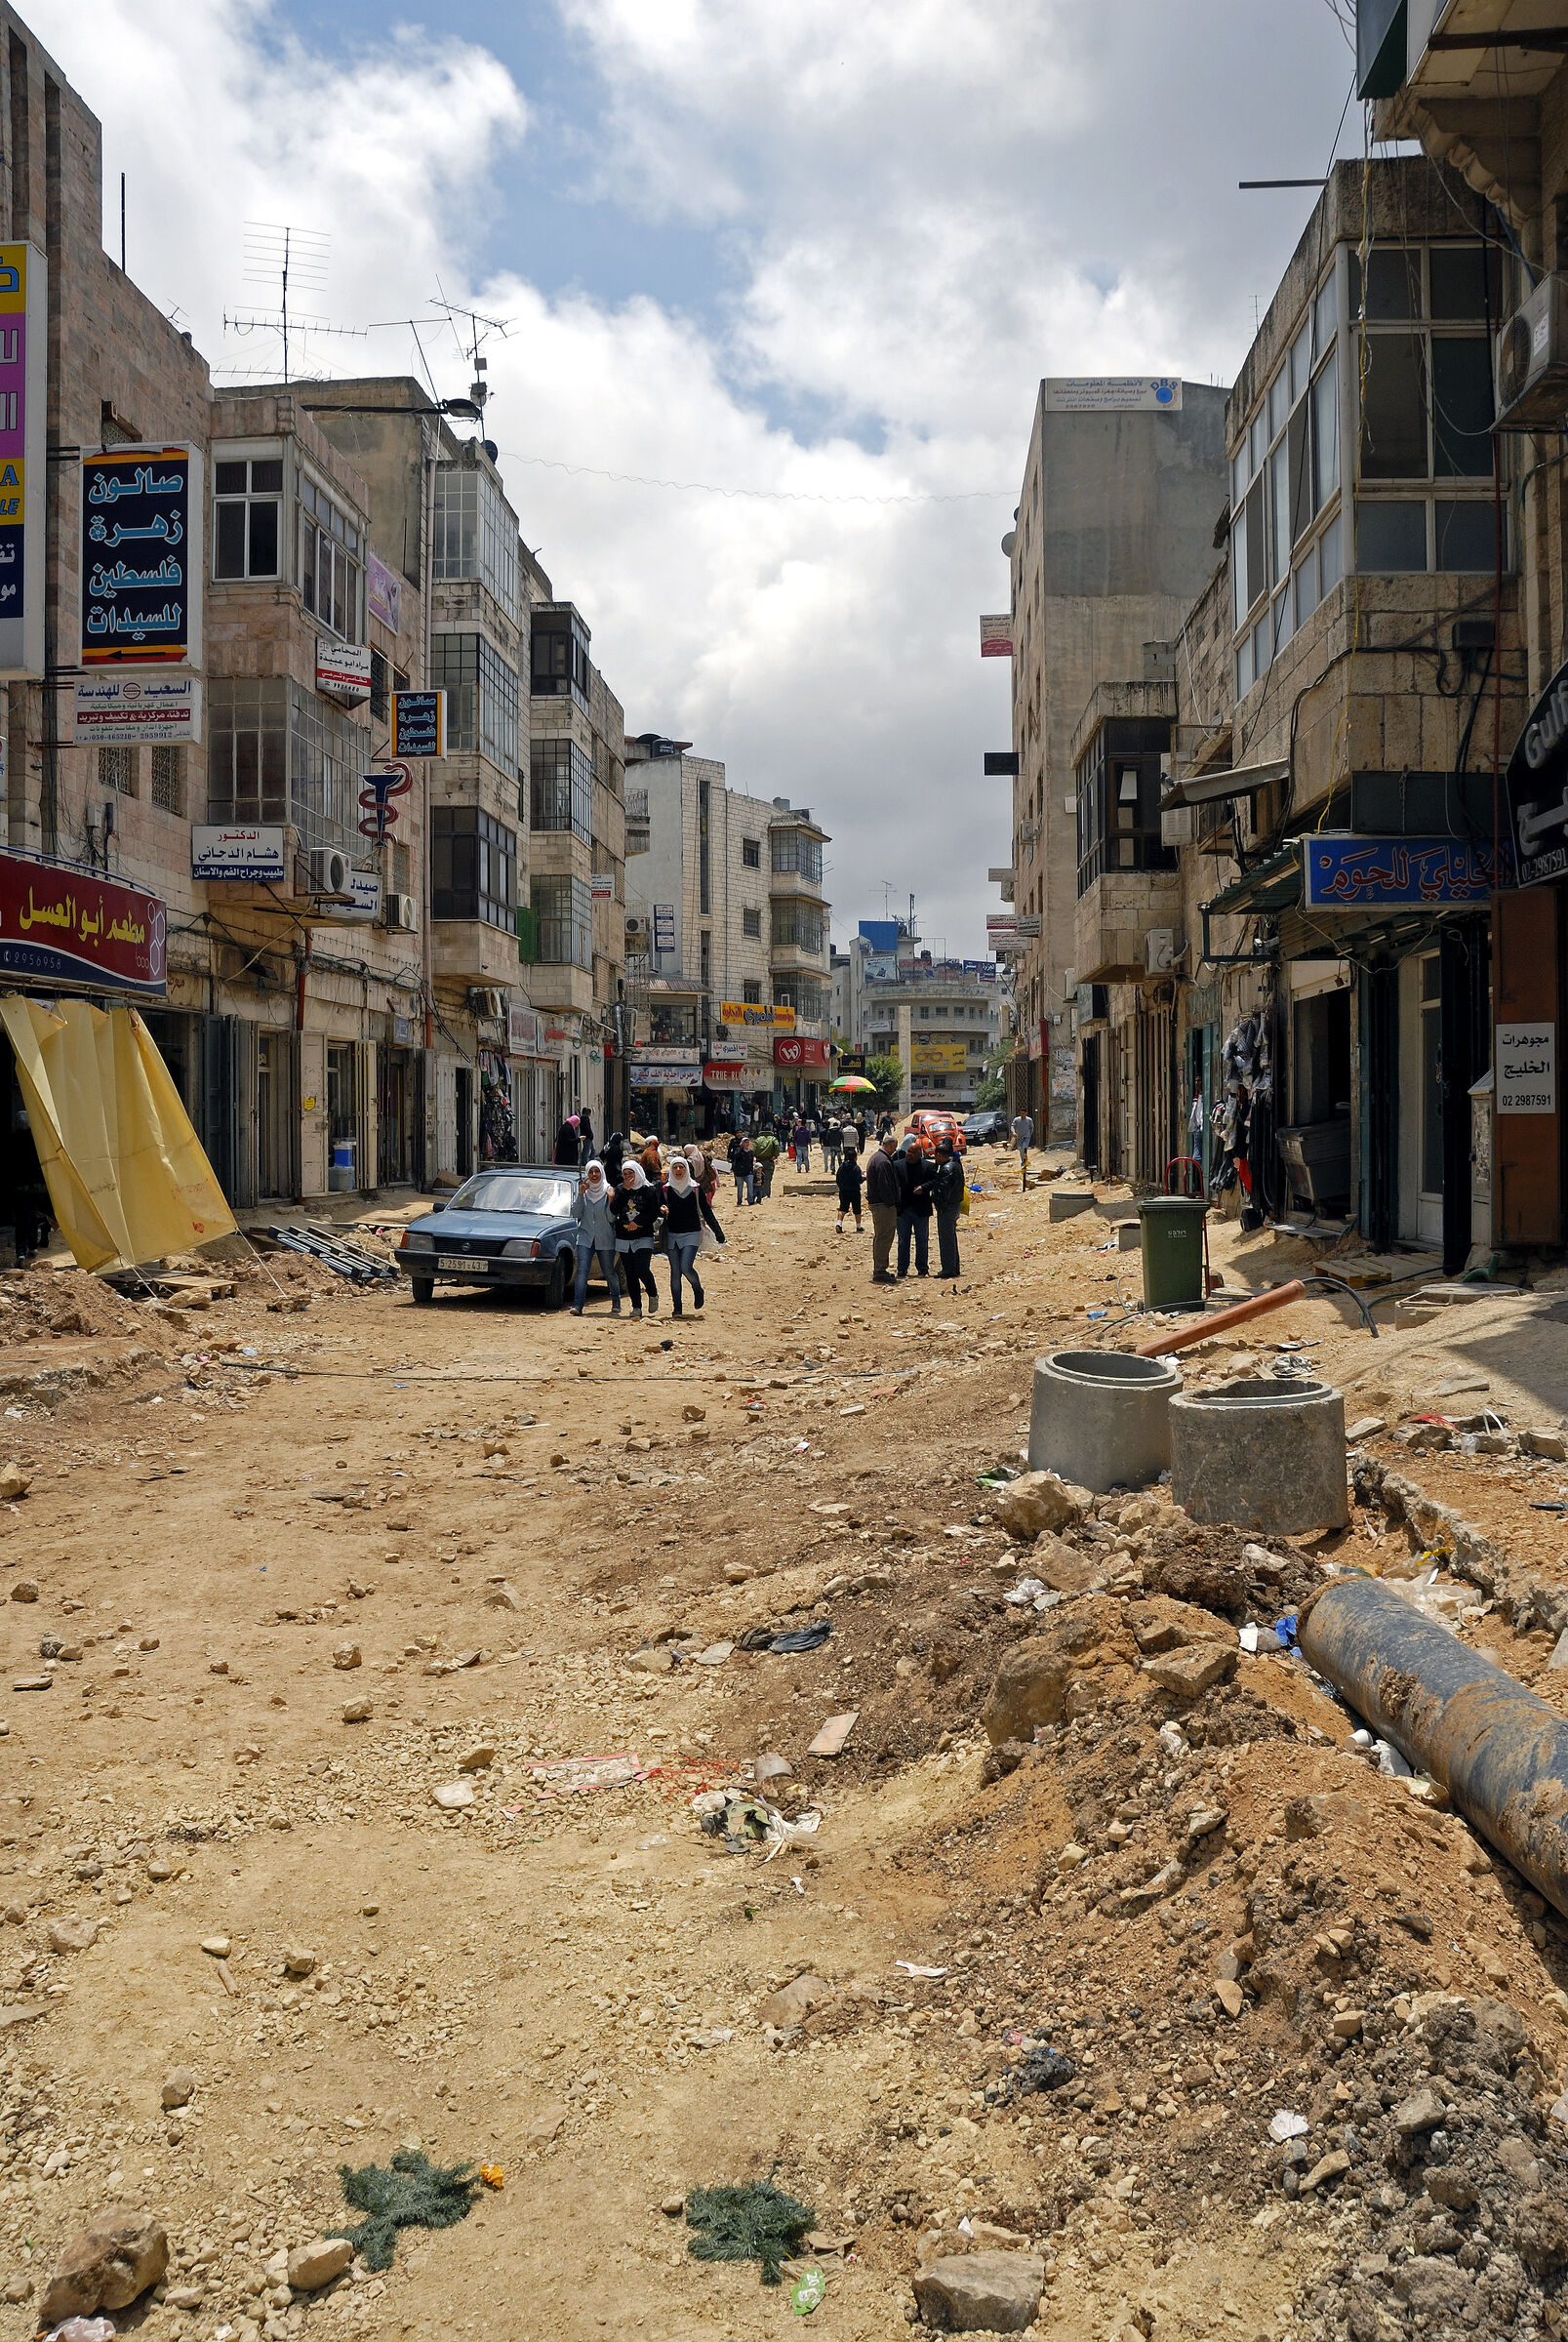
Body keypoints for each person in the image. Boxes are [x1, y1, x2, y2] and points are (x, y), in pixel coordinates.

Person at [569, 1158, 622, 1315]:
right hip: (585, 1237)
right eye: (591, 1172)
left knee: (608, 1271)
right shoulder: (584, 1192)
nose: (594, 1175)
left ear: (601, 1172)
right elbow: (575, 1213)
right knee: (582, 1270)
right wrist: (580, 1194)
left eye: (597, 1171)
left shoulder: (608, 1191)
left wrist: (610, 1200)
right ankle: (578, 1305)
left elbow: (611, 1218)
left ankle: (616, 1301)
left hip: (605, 1238)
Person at [611, 1158, 661, 1316]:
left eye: (630, 1173)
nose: (627, 1177)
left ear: (637, 1173)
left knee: (641, 1268)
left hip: (643, 1235)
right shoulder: (620, 1189)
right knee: (630, 1272)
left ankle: (652, 1293)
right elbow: (614, 1209)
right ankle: (636, 1307)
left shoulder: (649, 1190)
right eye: (625, 1174)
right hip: (624, 1236)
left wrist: (638, 1222)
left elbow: (653, 1212)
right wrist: (625, 1191)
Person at [662, 1153, 705, 1316]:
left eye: (681, 1167)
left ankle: (697, 1288)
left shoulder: (695, 1188)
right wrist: (662, 1209)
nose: (678, 1170)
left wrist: (719, 1233)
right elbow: (657, 1207)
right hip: (673, 1235)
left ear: (686, 1169)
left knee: (686, 1267)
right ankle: (677, 1308)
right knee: (675, 1272)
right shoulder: (665, 1189)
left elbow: (706, 1211)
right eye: (675, 1167)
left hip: (691, 1233)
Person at [896, 1137, 932, 1278]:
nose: (909, 1154)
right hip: (903, 1209)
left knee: (922, 1240)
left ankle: (922, 1268)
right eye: (908, 1151)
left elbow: (935, 1181)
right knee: (903, 1241)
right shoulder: (897, 1166)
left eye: (912, 1152)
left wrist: (924, 1187)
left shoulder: (928, 1167)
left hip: (921, 1209)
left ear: (919, 1153)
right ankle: (902, 1268)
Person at [931, 1134, 964, 1284]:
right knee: (951, 1238)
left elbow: (943, 1191)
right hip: (955, 1205)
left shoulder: (946, 1169)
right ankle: (954, 1267)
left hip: (947, 1208)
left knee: (946, 1239)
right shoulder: (956, 1165)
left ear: (939, 1155)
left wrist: (935, 1201)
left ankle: (948, 1269)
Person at [865, 1133, 899, 1284]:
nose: (895, 1150)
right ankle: (880, 1270)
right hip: (883, 1205)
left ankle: (879, 1268)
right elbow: (884, 1186)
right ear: (890, 1146)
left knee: (880, 1236)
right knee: (884, 1237)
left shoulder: (876, 1158)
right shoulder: (883, 1161)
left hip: (878, 1204)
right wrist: (892, 1202)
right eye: (894, 1147)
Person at [688, 1144, 726, 1244]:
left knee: (701, 1212)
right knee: (707, 1212)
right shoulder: (701, 1156)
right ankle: (720, 1236)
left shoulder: (689, 1161)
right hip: (703, 1185)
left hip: (693, 1188)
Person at [835, 1134, 864, 1234]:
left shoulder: (842, 1167)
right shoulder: (856, 1168)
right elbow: (859, 1180)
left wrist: (841, 1187)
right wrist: (864, 1177)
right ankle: (858, 1227)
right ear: (855, 1158)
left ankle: (839, 1224)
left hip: (844, 1190)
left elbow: (838, 1179)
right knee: (857, 1209)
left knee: (843, 1208)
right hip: (854, 1191)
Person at [754, 1126, 781, 1199]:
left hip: (759, 1161)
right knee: (768, 1179)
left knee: (758, 1178)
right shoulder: (773, 1139)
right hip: (769, 1161)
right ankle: (766, 1194)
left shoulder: (758, 1139)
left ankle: (759, 1194)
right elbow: (777, 1146)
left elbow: (754, 1149)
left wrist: (755, 1156)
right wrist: (775, 1155)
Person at [730, 1130, 755, 1207]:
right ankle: (739, 1201)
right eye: (745, 1142)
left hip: (748, 1172)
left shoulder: (750, 1151)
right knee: (740, 1188)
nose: (747, 1144)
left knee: (750, 1186)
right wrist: (741, 1148)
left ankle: (750, 1200)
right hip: (739, 1172)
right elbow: (736, 1156)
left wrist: (752, 1170)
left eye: (748, 1142)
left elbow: (751, 1161)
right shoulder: (738, 1150)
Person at [1010, 1109, 1034, 1188]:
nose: (1022, 1115)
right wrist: (1013, 1132)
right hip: (1019, 1137)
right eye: (1021, 1113)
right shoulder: (1016, 1120)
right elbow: (1012, 1126)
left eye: (1023, 1113)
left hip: (1026, 1137)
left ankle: (1024, 1161)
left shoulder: (1029, 1120)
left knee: (1024, 1147)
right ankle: (1023, 1161)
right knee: (1020, 1149)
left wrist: (1030, 1134)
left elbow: (1031, 1127)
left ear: (1026, 1113)